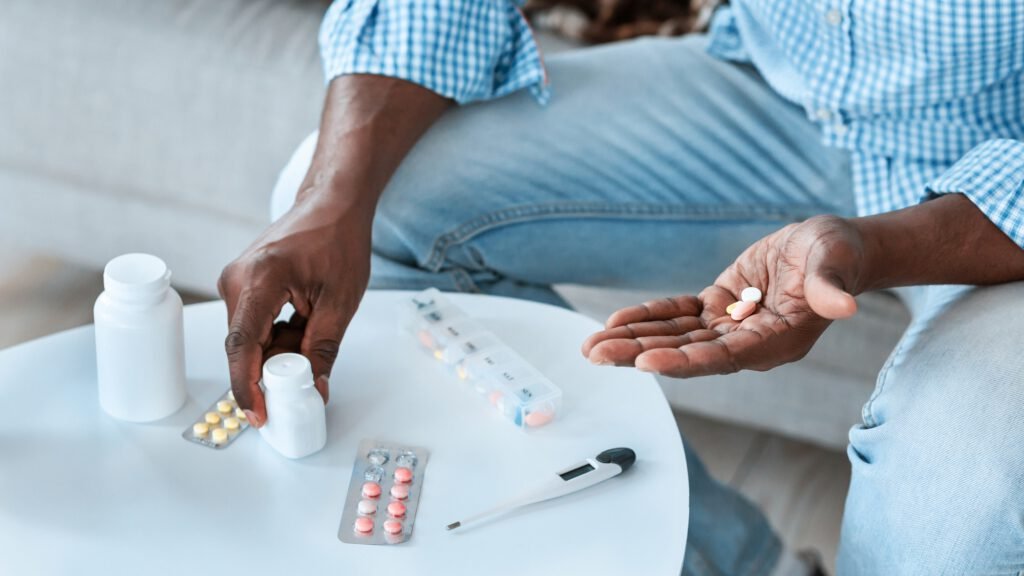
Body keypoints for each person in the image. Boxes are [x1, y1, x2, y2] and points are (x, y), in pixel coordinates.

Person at [217, 1, 1024, 574]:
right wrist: (330, 201)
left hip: (1002, 160)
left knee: (959, 495)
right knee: (367, 205)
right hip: (785, 87)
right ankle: (742, 567)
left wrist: (875, 246)